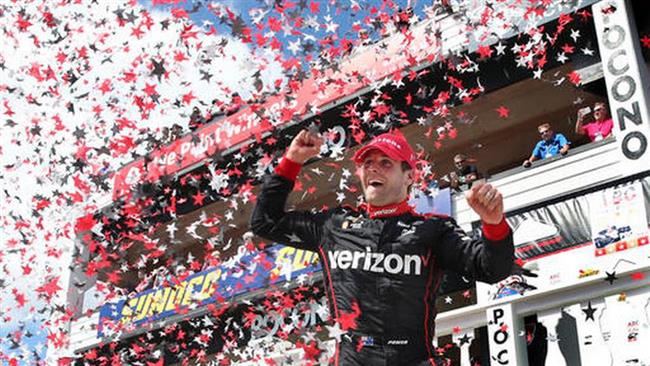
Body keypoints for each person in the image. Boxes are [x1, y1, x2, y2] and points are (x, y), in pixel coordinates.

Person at [251, 130, 514, 365]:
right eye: (368, 163)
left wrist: (494, 224)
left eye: (385, 163)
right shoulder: (333, 225)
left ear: (409, 176)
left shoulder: (432, 230)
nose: (374, 169)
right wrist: (292, 160)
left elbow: (491, 270)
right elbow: (265, 221)